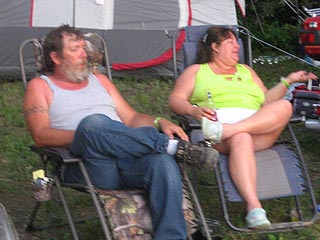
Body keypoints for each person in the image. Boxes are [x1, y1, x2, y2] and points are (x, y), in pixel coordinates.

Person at [23, 24, 219, 240]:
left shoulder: (101, 80)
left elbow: (132, 118)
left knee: (162, 163)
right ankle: (172, 147)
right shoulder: (40, 86)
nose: (84, 54)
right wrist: (87, 137)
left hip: (128, 160)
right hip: (87, 165)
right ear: (56, 57)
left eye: (83, 48)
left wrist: (159, 120)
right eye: (75, 49)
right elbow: (40, 136)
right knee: (93, 124)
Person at [168, 26, 317, 230]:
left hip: (248, 129)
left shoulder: (246, 71)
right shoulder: (197, 71)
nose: (237, 46)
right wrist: (193, 111)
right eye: (231, 42)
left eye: (237, 42)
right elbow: (175, 100)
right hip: (219, 133)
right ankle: (254, 208)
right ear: (215, 47)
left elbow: (266, 102)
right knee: (242, 138)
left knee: (283, 105)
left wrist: (288, 81)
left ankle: (231, 129)